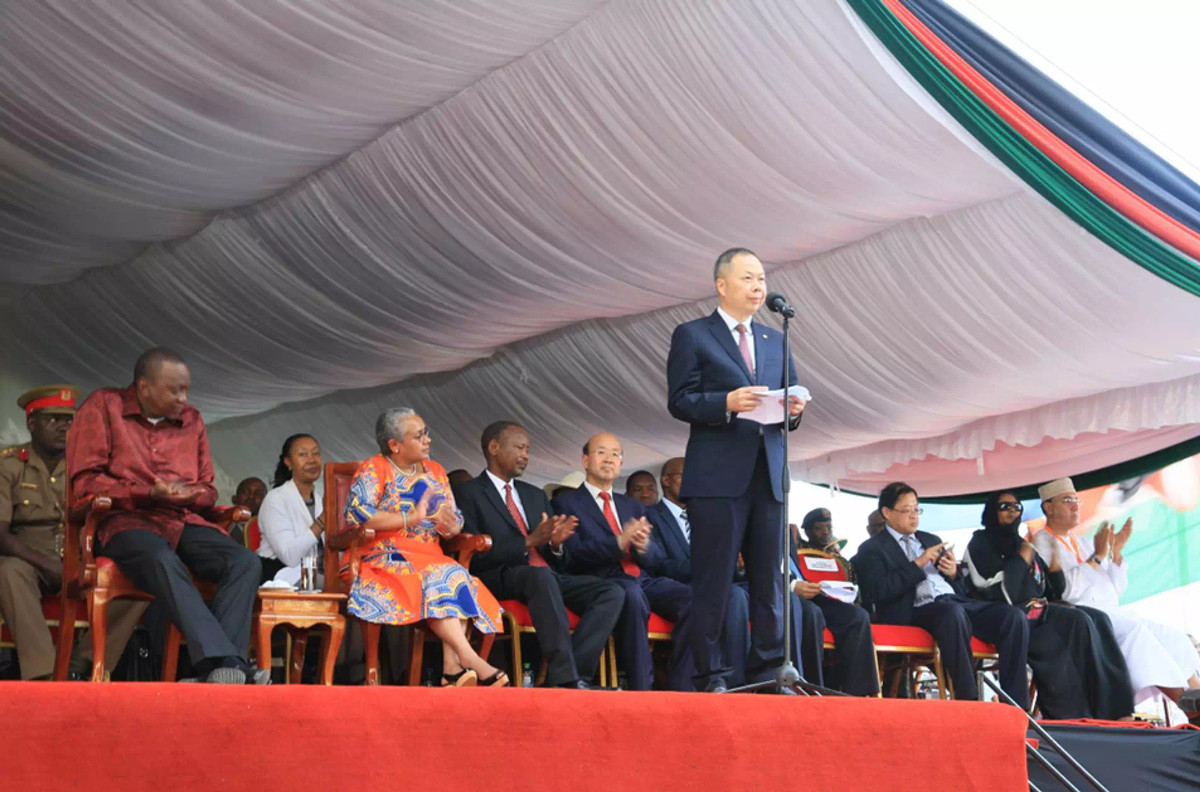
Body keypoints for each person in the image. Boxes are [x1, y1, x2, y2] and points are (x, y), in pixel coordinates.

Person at [67, 349, 266, 684]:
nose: (183, 399)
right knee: (160, 556)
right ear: (144, 388)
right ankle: (225, 664)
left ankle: (223, 671)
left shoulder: (192, 419)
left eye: (186, 390)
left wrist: (191, 495)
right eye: (175, 390)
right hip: (124, 521)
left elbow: (208, 490)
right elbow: (86, 482)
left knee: (244, 561)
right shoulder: (104, 405)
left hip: (182, 519)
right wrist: (147, 492)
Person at [666, 247, 805, 692]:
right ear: (721, 284)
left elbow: (790, 399)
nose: (758, 286)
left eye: (761, 278)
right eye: (748, 278)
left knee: (770, 581)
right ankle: (711, 675)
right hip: (717, 479)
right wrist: (724, 403)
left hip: (769, 474)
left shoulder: (776, 338)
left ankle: (769, 671)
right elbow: (679, 400)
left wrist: (794, 410)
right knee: (714, 581)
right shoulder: (693, 334)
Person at [341, 408, 507, 687]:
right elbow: (358, 514)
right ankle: (469, 659)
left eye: (426, 433)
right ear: (395, 445)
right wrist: (410, 517)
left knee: (455, 576)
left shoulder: (436, 471)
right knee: (441, 576)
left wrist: (451, 525)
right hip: (384, 555)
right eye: (419, 436)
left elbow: (454, 518)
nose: (428, 440)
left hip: (431, 556)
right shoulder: (375, 468)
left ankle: (452, 669)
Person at [456, 421, 624, 689]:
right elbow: (473, 553)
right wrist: (527, 542)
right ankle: (567, 677)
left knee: (612, 592)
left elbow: (558, 559)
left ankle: (574, 677)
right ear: (494, 447)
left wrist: (556, 545)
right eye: (519, 448)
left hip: (546, 575)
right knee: (540, 577)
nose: (525, 455)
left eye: (528, 449)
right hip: (498, 575)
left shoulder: (534, 494)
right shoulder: (467, 493)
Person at [0, 386, 146, 681]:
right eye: (53, 419)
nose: (63, 427)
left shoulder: (91, 468)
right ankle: (44, 672)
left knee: (142, 573)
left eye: (69, 420)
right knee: (8, 571)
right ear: (31, 423)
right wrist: (47, 564)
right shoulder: (9, 465)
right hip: (28, 558)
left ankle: (83, 664)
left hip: (82, 558)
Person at [852, 482, 1029, 707]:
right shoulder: (872, 548)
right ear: (887, 512)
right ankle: (969, 700)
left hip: (954, 601)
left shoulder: (930, 539)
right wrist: (919, 563)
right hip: (914, 609)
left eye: (917, 509)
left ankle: (1016, 704)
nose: (914, 516)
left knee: (1013, 617)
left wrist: (953, 573)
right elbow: (879, 591)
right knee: (951, 613)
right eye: (906, 511)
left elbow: (960, 588)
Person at [1032, 477, 1200, 707]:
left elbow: (1113, 590)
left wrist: (1116, 554)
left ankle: (1196, 695)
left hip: (1112, 611)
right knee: (1135, 632)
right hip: (1083, 618)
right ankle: (1184, 701)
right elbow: (1065, 591)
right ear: (1048, 507)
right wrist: (1097, 557)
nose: (1075, 506)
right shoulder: (1042, 541)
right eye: (1067, 501)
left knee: (1172, 636)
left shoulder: (1083, 542)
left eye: (1076, 500)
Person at [964, 491, 1133, 719]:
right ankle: (1072, 716)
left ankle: (1116, 708)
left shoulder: (1021, 543)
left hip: (1039, 612)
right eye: (1005, 507)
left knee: (1097, 618)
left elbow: (1051, 591)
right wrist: (1022, 558)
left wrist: (1054, 569)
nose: (1012, 511)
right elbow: (1001, 590)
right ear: (991, 512)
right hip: (1008, 619)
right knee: (1073, 626)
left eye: (1017, 507)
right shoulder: (980, 543)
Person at [553, 433, 693, 691]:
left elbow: (656, 557)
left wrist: (643, 546)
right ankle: (642, 688)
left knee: (695, 600)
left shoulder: (633, 506)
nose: (609, 459)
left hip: (643, 578)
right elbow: (573, 555)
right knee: (631, 594)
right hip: (602, 580)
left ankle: (681, 686)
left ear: (620, 463)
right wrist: (618, 543)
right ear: (585, 460)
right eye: (601, 452)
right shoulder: (566, 502)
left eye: (615, 454)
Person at [644, 456, 750, 687]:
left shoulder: (707, 518)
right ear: (665, 480)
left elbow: (722, 561)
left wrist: (738, 567)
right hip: (672, 588)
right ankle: (704, 683)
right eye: (685, 475)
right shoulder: (649, 515)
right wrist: (712, 569)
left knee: (739, 595)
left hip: (714, 586)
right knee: (718, 597)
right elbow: (658, 563)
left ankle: (735, 683)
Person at [790, 508, 878, 696]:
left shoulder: (840, 561)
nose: (825, 532)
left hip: (830, 599)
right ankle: (812, 689)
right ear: (807, 531)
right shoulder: (796, 550)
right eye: (819, 528)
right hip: (801, 595)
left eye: (828, 527)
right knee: (812, 613)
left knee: (858, 616)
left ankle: (859, 694)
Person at [257, 434, 324, 585]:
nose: (312, 459)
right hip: (284, 575)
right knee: (345, 587)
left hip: (316, 573)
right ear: (288, 462)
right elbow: (290, 557)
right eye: (303, 454)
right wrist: (321, 522)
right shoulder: (275, 499)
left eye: (316, 453)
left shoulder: (321, 499)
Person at [229, 477, 266, 547]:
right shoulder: (219, 522)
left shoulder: (265, 537)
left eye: (258, 494)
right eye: (245, 492)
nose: (251, 496)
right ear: (234, 499)